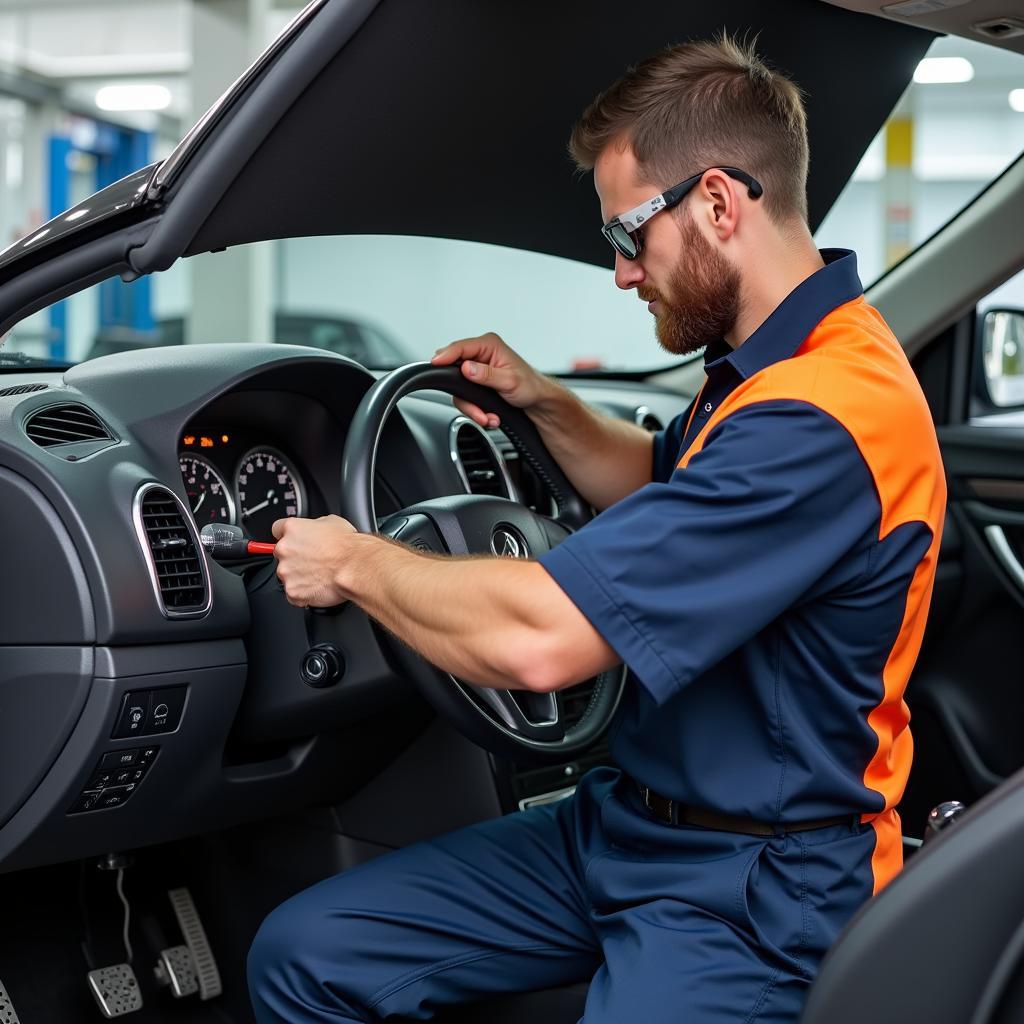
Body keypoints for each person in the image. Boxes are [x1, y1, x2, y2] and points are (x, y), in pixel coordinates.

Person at [246, 34, 945, 1023]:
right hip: (624, 828)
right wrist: (543, 402)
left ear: (715, 201)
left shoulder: (824, 416)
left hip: (757, 885)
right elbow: (665, 480)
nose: (621, 274)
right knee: (308, 954)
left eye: (627, 238)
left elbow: (537, 642)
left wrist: (356, 561)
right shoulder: (776, 363)